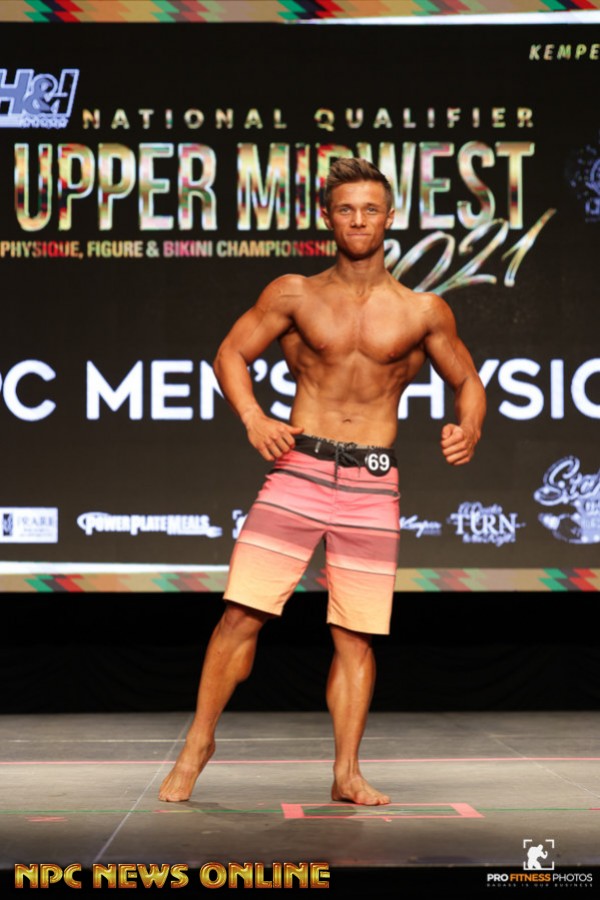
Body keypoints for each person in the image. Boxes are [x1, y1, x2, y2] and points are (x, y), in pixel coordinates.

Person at [158, 158, 486, 806]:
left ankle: (346, 772)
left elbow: (468, 380)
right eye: (346, 209)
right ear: (328, 217)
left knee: (355, 634)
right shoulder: (294, 295)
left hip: (372, 482)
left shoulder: (423, 310)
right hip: (299, 470)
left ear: (390, 217)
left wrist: (469, 426)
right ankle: (197, 743)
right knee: (241, 614)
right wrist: (253, 417)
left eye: (370, 209)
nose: (359, 220)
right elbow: (230, 353)